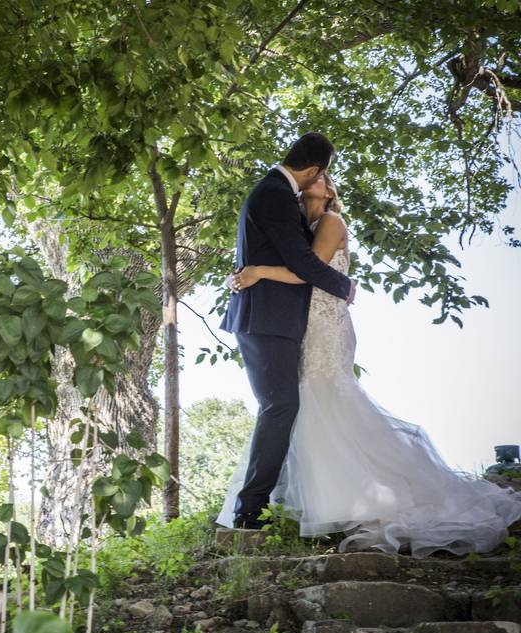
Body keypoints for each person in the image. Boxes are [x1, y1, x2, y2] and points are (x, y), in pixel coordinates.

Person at [215, 171, 521, 558]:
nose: (317, 178)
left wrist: (257, 272)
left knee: (325, 397)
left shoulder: (330, 221)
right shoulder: (301, 225)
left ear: (330, 192)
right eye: (316, 173)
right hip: (300, 324)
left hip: (326, 326)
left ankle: (354, 500)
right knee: (303, 404)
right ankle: (311, 498)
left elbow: (309, 271)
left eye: (324, 176)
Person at [219, 132, 355, 530]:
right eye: (321, 175)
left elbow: (279, 258)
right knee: (281, 406)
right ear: (314, 169)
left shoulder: (279, 195)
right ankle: (250, 511)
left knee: (286, 406)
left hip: (281, 320)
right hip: (266, 320)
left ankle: (271, 501)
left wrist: (253, 271)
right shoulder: (276, 193)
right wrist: (345, 287)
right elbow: (301, 263)